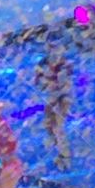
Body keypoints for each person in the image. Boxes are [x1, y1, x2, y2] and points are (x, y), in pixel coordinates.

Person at [35, 34, 74, 169]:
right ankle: (58, 153)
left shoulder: (65, 64)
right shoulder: (43, 63)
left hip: (62, 97)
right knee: (49, 126)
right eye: (51, 48)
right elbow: (38, 82)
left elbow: (65, 83)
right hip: (50, 96)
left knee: (58, 125)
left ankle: (65, 155)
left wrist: (50, 82)